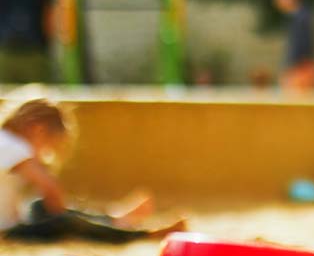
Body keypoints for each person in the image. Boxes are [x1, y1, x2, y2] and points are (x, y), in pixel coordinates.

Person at [0, 97, 184, 242]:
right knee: (65, 221)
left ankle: (113, 220)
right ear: (37, 129)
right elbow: (51, 190)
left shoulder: (6, 140)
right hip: (6, 231)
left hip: (11, 224)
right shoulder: (15, 146)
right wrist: (65, 214)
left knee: (42, 207)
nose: (42, 154)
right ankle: (140, 233)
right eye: (47, 147)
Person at [271, 0, 314, 91]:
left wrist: (290, 71)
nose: (277, 3)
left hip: (301, 71)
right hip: (302, 69)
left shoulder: (301, 18)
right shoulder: (301, 15)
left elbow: (301, 47)